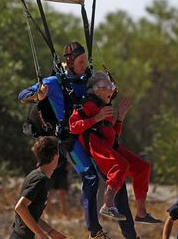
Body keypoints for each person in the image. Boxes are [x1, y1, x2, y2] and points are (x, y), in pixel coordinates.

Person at [18, 42, 139, 239]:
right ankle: (95, 231)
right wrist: (38, 94)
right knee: (90, 177)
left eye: (85, 61)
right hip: (70, 140)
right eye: (80, 61)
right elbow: (22, 95)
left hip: (93, 136)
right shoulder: (54, 82)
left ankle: (131, 235)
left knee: (116, 178)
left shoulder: (89, 79)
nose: (84, 65)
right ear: (70, 62)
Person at [69, 72, 162, 224]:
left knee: (142, 167)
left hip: (109, 145)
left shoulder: (103, 106)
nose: (112, 90)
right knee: (120, 165)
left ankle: (141, 212)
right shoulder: (86, 105)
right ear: (97, 89)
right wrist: (95, 119)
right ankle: (108, 204)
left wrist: (119, 119)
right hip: (95, 143)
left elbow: (113, 134)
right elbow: (73, 127)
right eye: (108, 86)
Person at [10, 136, 66, 239]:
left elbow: (31, 214)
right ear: (55, 156)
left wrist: (50, 231)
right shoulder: (39, 179)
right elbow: (20, 207)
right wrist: (41, 234)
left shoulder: (36, 175)